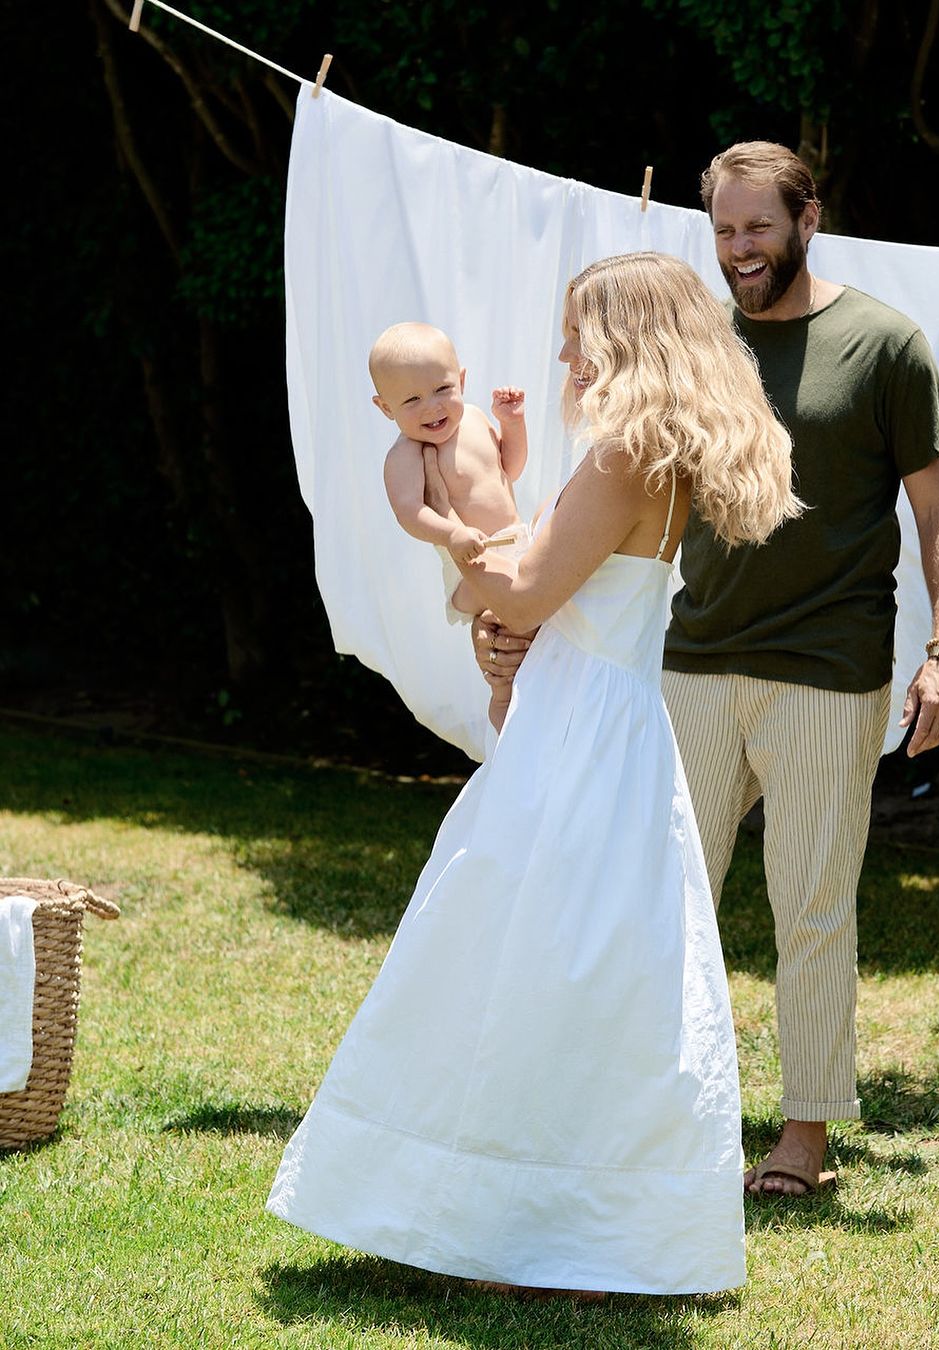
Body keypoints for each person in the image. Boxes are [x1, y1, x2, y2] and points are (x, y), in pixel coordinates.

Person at [268, 252, 802, 1296]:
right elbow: (549, 595)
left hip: (583, 736)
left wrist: (455, 550)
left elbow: (526, 590)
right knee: (578, 962)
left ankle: (532, 1230)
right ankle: (556, 1224)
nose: (563, 352)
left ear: (625, 340)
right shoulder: (649, 457)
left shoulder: (624, 458)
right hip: (602, 719)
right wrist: (499, 610)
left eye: (577, 332)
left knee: (538, 957)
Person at [660, 141, 939, 1197]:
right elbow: (640, 497)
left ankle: (804, 1137)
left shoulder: (885, 344)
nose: (739, 249)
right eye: (723, 230)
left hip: (829, 671)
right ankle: (661, 1115)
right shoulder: (699, 345)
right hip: (694, 662)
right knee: (664, 900)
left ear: (808, 221)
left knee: (812, 910)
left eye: (758, 226)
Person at [373, 321, 530, 729]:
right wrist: (452, 534)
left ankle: (529, 705)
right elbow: (410, 512)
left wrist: (512, 424)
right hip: (469, 563)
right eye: (412, 399)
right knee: (507, 635)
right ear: (386, 408)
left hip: (516, 544)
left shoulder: (475, 419)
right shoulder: (406, 454)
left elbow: (509, 469)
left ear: (461, 380)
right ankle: (502, 704)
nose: (432, 407)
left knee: (539, 631)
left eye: (442, 389)